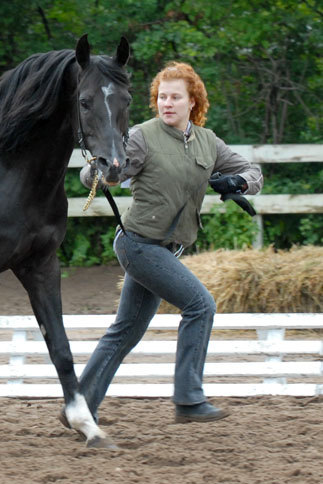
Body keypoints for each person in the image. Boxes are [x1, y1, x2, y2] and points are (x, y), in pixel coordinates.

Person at [78, 61, 263, 423]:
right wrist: (101, 170)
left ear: (193, 101)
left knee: (125, 331)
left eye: (175, 97)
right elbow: (98, 174)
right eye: (162, 97)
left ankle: (80, 404)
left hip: (165, 249)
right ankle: (189, 399)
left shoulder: (209, 143)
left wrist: (237, 183)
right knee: (201, 305)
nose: (167, 103)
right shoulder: (143, 137)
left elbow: (253, 172)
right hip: (138, 244)